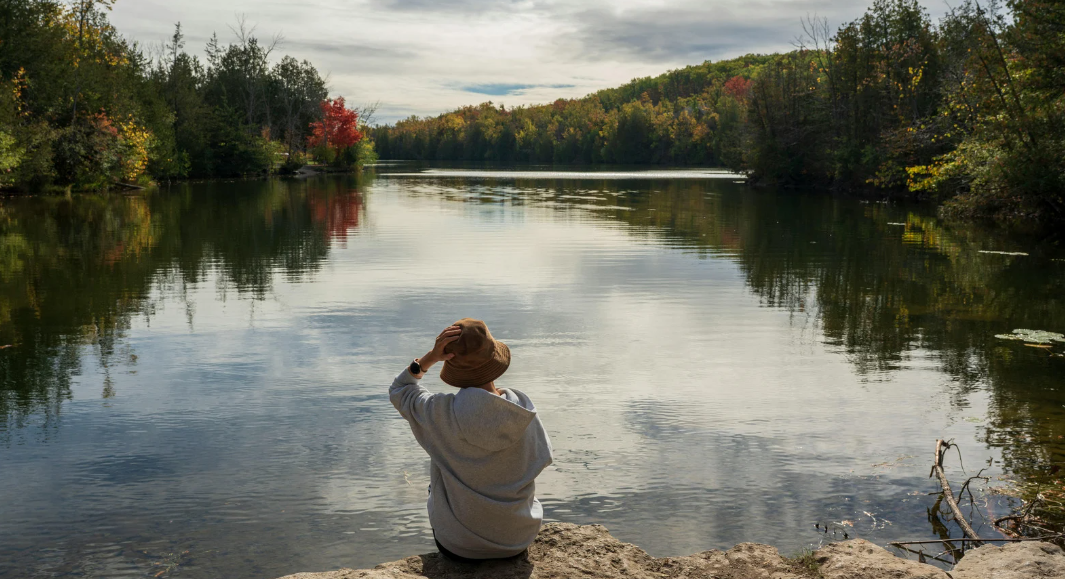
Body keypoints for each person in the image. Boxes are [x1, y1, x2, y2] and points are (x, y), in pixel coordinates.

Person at [389, 319, 553, 562]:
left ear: (450, 361)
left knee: (438, 482)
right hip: (517, 540)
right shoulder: (523, 410)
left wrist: (429, 359)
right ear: (494, 357)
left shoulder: (438, 412)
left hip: (459, 546)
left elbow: (400, 390)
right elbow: (543, 457)